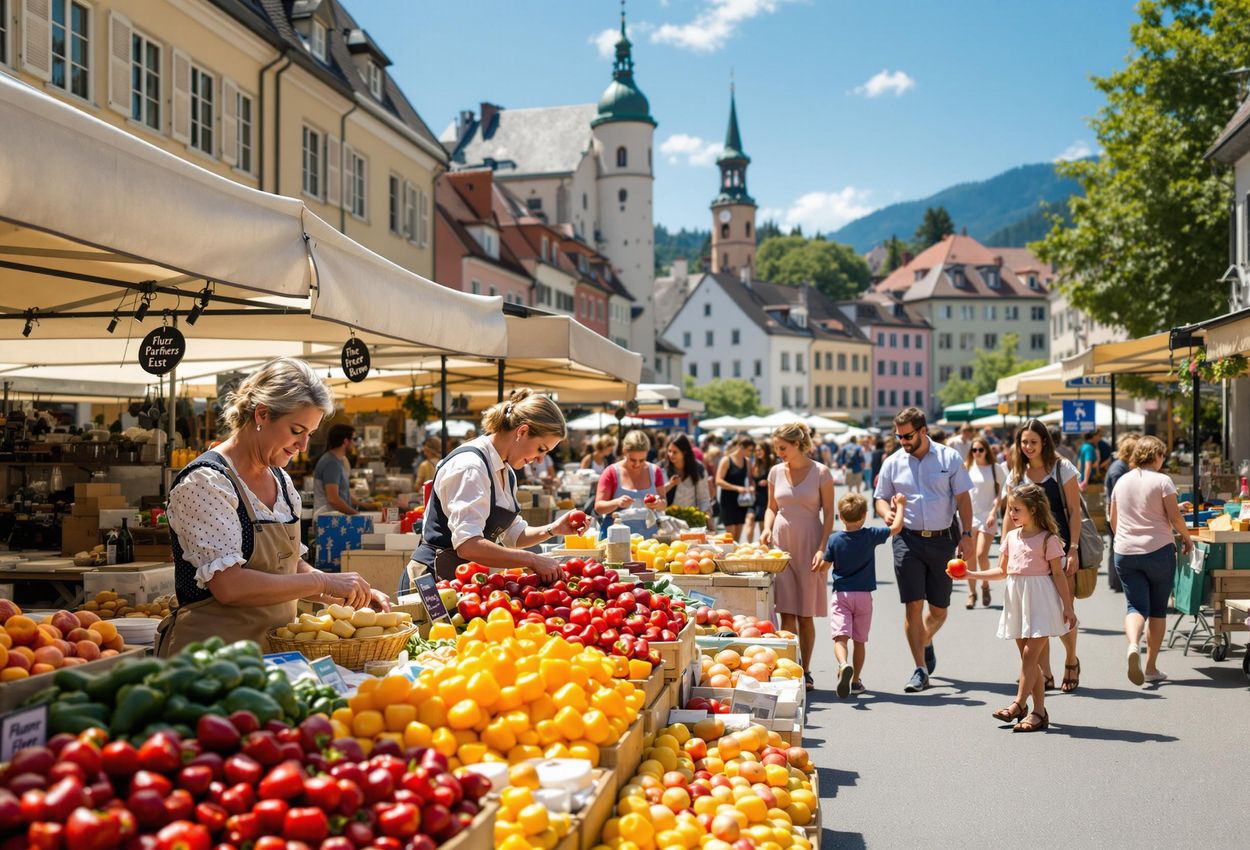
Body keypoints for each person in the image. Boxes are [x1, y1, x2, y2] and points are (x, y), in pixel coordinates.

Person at [158, 358, 389, 656]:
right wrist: (325, 580)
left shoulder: (280, 480)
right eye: (296, 430)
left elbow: (287, 566)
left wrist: (343, 596)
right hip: (211, 663)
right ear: (262, 414)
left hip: (272, 656)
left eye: (310, 434)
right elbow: (229, 586)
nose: (303, 445)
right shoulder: (206, 483)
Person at [406, 389, 589, 588]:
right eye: (541, 449)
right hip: (431, 579)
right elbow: (468, 546)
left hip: (463, 582)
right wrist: (532, 560)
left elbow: (513, 535)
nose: (540, 460)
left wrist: (553, 529)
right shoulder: (470, 466)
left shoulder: (505, 471)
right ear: (522, 431)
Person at [874, 407, 974, 693]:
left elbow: (963, 500)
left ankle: (925, 639)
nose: (903, 441)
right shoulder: (893, 462)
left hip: (943, 539)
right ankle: (919, 669)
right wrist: (886, 514)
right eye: (898, 436)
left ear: (922, 431)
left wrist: (966, 534)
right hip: (907, 540)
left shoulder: (949, 457)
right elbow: (880, 498)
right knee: (913, 605)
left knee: (940, 610)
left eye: (907, 436)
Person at [966, 483, 1076, 733]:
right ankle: (1039, 712)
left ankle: (1019, 703)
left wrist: (1067, 606)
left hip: (1042, 601)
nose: (1011, 514)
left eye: (1016, 509)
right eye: (1009, 509)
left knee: (1029, 655)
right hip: (1017, 601)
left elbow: (1059, 575)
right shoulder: (1011, 537)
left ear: (1034, 510)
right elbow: (1002, 572)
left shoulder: (1048, 540)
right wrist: (971, 574)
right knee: (1030, 660)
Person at [1000, 419, 1082, 693]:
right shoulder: (1016, 473)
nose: (1028, 447)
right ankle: (1044, 673)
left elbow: (1074, 510)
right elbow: (1008, 514)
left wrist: (1073, 549)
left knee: (1063, 610)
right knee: (1035, 617)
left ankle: (1071, 659)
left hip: (1057, 548)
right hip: (1027, 552)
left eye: (1033, 442)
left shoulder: (1062, 468)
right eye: (1024, 442)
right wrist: (1005, 547)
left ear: (1044, 442)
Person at [1109, 436, 1194, 686]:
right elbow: (1175, 516)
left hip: (1125, 552)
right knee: (1157, 610)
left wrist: (1124, 538)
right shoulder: (1163, 480)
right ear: (1156, 455)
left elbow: (1113, 520)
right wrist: (1186, 539)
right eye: (1163, 455)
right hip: (1158, 550)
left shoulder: (1122, 481)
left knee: (1135, 607)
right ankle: (1151, 667)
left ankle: (1133, 645)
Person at [760, 422, 835, 689]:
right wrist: (767, 528)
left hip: (811, 544)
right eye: (776, 448)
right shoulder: (774, 472)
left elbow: (829, 516)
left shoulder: (821, 473)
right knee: (787, 612)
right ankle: (792, 668)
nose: (778, 452)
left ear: (797, 445)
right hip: (781, 546)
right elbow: (771, 507)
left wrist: (823, 548)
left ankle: (807, 668)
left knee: (806, 615)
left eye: (782, 447)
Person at [819, 492, 905, 698]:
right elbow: (896, 528)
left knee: (840, 638)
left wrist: (819, 564)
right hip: (864, 596)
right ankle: (856, 680)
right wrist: (900, 505)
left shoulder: (834, 539)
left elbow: (825, 566)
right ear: (864, 516)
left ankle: (843, 664)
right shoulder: (870, 535)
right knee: (859, 641)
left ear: (840, 516)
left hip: (842, 595)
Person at [595, 430, 667, 537]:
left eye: (642, 460)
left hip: (649, 538)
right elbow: (599, 507)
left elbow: (664, 503)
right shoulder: (611, 472)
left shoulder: (655, 471)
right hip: (617, 538)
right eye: (632, 460)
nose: (637, 465)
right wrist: (617, 502)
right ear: (624, 452)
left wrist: (657, 503)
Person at [965, 435, 1005, 610]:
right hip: (969, 516)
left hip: (988, 516)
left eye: (980, 449)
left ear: (986, 451)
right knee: (970, 556)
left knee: (982, 554)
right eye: (974, 450)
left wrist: (993, 512)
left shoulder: (995, 468)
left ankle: (986, 586)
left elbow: (1002, 492)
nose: (977, 453)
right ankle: (972, 593)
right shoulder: (967, 467)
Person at [1103, 432, 1141, 593]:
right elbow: (1119, 496)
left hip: (1117, 513)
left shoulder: (1119, 466)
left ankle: (1116, 582)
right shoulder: (1119, 469)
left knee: (1116, 547)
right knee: (1117, 547)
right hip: (1116, 514)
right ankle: (1117, 582)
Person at [663, 433, 712, 522]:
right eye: (669, 451)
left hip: (692, 520)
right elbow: (656, 494)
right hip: (668, 521)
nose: (671, 455)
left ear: (684, 452)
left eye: (675, 452)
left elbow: (703, 497)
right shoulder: (662, 468)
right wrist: (670, 485)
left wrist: (708, 520)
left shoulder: (698, 468)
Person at [312, 423, 358, 518]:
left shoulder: (337, 460)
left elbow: (343, 495)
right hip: (329, 520)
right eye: (354, 439)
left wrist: (368, 506)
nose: (355, 443)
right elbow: (333, 499)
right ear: (345, 441)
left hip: (333, 518)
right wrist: (356, 515)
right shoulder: (331, 463)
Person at [715, 435, 756, 542]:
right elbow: (718, 480)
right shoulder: (726, 460)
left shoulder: (747, 461)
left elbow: (750, 480)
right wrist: (737, 488)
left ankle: (735, 558)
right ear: (741, 447)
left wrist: (751, 487)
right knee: (730, 536)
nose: (751, 453)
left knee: (737, 538)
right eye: (749, 450)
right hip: (728, 501)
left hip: (741, 502)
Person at [744, 440, 776, 543]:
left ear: (766, 450)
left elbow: (779, 479)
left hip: (766, 497)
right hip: (755, 497)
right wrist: (751, 486)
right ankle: (749, 546)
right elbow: (751, 480)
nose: (757, 452)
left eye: (760, 450)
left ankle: (763, 547)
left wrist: (768, 482)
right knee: (749, 519)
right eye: (756, 450)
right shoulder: (754, 465)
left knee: (764, 525)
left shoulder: (772, 463)